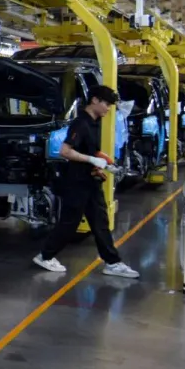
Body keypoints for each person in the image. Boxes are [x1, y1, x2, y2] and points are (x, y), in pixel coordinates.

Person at [33, 86, 140, 278]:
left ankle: (113, 262)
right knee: (69, 223)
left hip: (90, 181)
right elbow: (65, 151)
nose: (108, 108)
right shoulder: (80, 123)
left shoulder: (95, 122)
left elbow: (90, 150)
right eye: (106, 104)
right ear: (95, 101)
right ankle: (45, 256)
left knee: (100, 222)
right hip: (77, 182)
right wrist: (91, 160)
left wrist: (105, 163)